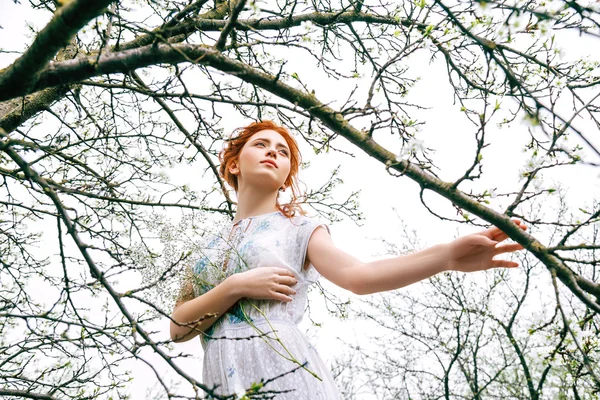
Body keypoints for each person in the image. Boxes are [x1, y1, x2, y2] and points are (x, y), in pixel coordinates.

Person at [169, 120, 527, 399]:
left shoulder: (300, 228)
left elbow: (360, 276)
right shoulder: (206, 248)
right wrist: (236, 286)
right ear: (233, 164)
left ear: (285, 177)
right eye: (260, 145)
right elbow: (178, 327)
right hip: (221, 378)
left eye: (282, 152)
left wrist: (446, 255)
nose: (272, 153)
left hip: (286, 372)